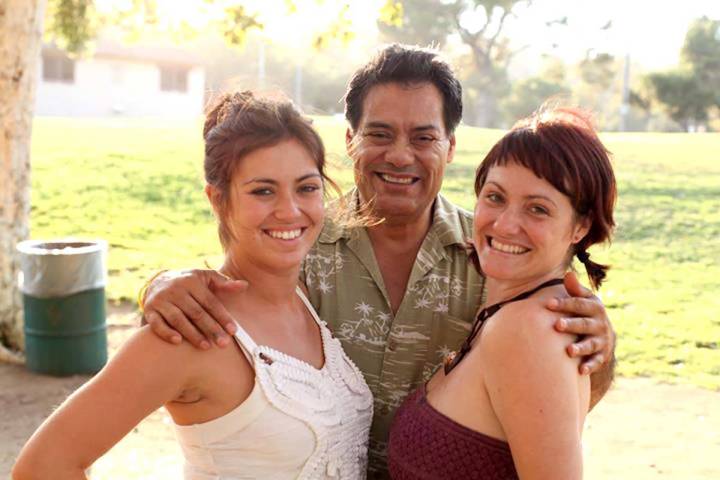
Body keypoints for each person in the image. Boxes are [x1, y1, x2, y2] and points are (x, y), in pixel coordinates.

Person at [141, 44, 616, 478]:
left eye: (423, 137)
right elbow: (226, 301)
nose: (400, 155)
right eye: (380, 134)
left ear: (450, 146)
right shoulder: (295, 241)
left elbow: (552, 403)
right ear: (350, 140)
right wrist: (163, 284)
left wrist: (600, 352)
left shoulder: (499, 257)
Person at [12, 92, 373, 480]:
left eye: (306, 187)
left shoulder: (311, 296)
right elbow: (43, 466)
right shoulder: (189, 332)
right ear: (218, 200)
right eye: (262, 191)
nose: (290, 210)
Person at [388, 106, 616, 479]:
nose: (506, 224)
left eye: (538, 209)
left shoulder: (527, 330)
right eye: (495, 197)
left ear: (580, 226)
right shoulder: (507, 312)